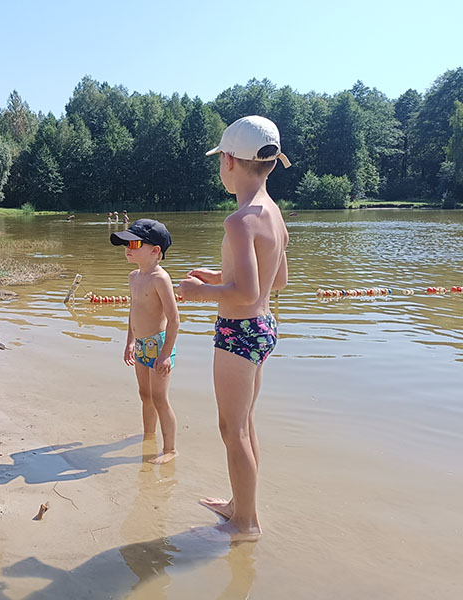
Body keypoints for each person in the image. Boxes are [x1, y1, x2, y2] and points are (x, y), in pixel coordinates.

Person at [178, 115, 290, 541]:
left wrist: (195, 291)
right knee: (246, 423)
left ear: (227, 160)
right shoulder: (274, 214)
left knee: (232, 429)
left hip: (238, 332)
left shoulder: (239, 220)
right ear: (272, 163)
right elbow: (276, 282)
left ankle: (246, 524)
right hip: (263, 328)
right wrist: (217, 274)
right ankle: (240, 507)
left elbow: (244, 292)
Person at [111, 219, 179, 464]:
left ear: (155, 250)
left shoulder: (160, 279)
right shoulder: (134, 277)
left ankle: (170, 449)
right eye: (126, 243)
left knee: (160, 398)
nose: (127, 247)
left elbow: (174, 319)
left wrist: (166, 354)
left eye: (134, 243)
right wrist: (129, 341)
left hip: (159, 345)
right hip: (140, 343)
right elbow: (134, 311)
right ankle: (149, 435)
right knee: (144, 394)